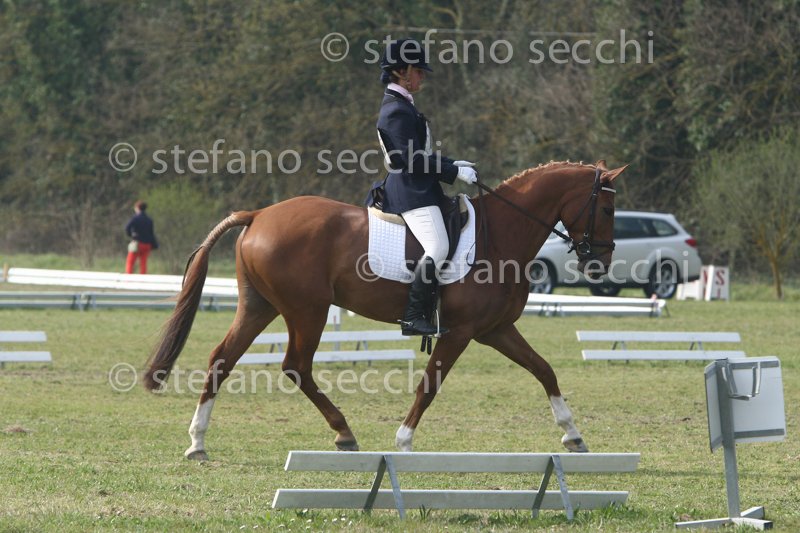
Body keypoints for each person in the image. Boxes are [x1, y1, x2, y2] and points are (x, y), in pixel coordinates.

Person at [375, 38, 478, 336]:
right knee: (438, 246)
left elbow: (422, 154)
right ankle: (413, 316)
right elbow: (410, 159)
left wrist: (453, 163)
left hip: (420, 188)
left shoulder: (403, 106)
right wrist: (452, 171)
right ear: (401, 72)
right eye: (418, 71)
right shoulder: (396, 110)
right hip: (410, 191)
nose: (422, 76)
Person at [125, 200, 158, 274]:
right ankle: (143, 278)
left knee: (130, 262)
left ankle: (128, 278)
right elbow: (151, 233)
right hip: (147, 245)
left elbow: (127, 228)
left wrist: (131, 235)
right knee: (143, 263)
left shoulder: (135, 218)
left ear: (137, 208)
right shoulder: (149, 220)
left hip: (137, 243)